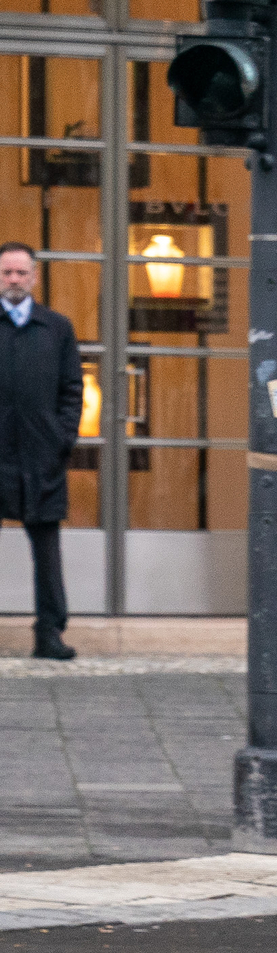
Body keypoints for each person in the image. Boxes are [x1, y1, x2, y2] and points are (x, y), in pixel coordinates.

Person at [0, 242, 84, 660]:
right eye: (7, 273)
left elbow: (72, 389)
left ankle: (49, 634)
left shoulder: (57, 328)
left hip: (42, 457)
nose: (14, 279)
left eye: (21, 273)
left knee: (47, 553)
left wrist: (62, 439)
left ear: (34, 277)